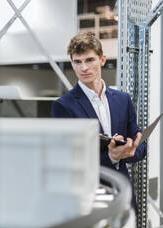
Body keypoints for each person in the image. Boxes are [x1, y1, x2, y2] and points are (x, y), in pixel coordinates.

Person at [51, 32, 147, 210]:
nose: (84, 68)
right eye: (77, 62)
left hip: (123, 192)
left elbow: (141, 146)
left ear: (102, 60)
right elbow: (66, 162)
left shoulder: (122, 99)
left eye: (89, 60)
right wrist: (111, 157)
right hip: (89, 197)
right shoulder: (63, 106)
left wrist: (130, 150)